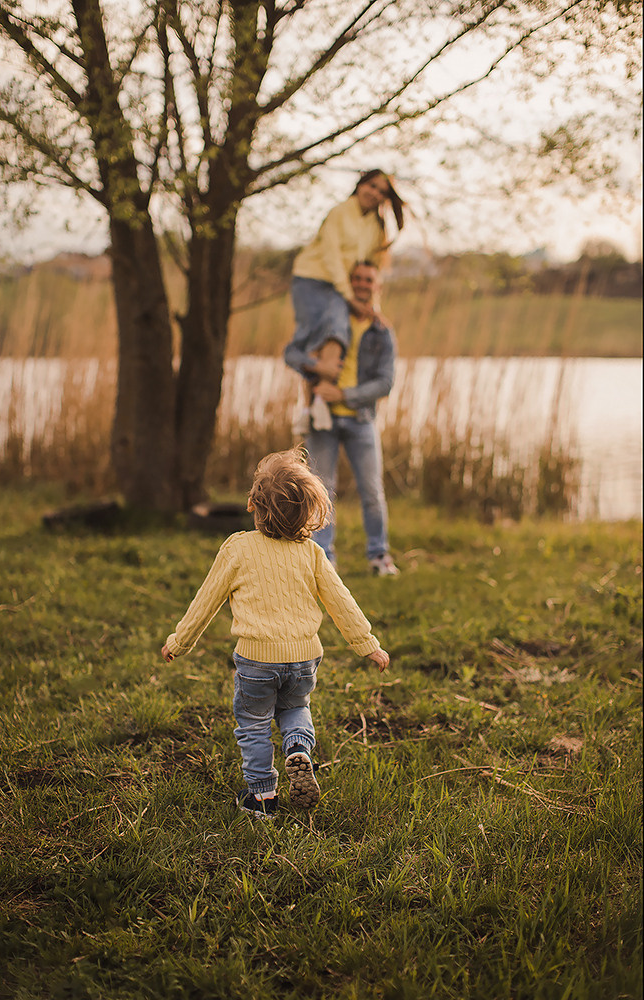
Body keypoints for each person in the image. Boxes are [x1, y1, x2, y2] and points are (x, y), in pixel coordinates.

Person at [161, 447, 390, 820]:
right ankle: (299, 749)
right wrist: (368, 645)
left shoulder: (238, 547)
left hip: (256, 659)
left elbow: (206, 601)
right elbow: (341, 602)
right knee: (296, 708)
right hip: (304, 658)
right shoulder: (313, 553)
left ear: (252, 504)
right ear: (308, 514)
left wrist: (179, 642)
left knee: (252, 724)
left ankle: (262, 797)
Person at [285, 260, 399, 576]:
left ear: (377, 286)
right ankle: (324, 560)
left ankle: (379, 556)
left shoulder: (382, 331)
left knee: (373, 492)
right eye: (357, 279)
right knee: (322, 491)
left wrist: (345, 395)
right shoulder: (327, 321)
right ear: (349, 284)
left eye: (368, 279)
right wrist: (316, 366)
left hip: (361, 420)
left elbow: (385, 382)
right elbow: (291, 354)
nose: (363, 284)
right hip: (324, 421)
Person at [284, 169, 404, 430]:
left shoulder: (375, 225)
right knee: (313, 339)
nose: (374, 193)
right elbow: (331, 257)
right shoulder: (339, 212)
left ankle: (318, 402)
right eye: (371, 186)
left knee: (337, 334)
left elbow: (369, 267)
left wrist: (373, 309)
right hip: (312, 280)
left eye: (381, 192)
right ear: (360, 184)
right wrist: (348, 296)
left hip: (340, 287)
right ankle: (308, 406)